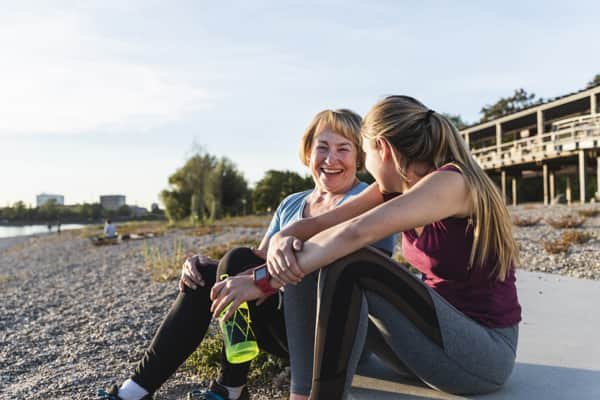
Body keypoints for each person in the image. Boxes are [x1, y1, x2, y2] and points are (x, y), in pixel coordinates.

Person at [210, 95, 521, 400]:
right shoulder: (397, 187)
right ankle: (302, 393)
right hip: (428, 346)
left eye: (364, 152)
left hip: (482, 356)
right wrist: (283, 237)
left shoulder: (452, 183)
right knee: (314, 255)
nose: (365, 166)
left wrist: (261, 281)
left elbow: (355, 233)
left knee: (349, 260)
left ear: (382, 149)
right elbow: (323, 224)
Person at [98, 109, 395, 400]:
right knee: (211, 272)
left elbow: (353, 271)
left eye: (343, 149)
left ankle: (230, 389)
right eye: (322, 147)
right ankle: (134, 391)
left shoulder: (366, 200)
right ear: (308, 152)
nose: (331, 159)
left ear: (359, 157)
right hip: (283, 324)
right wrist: (204, 266)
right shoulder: (292, 204)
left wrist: (259, 276)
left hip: (334, 332)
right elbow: (259, 259)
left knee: (237, 262)